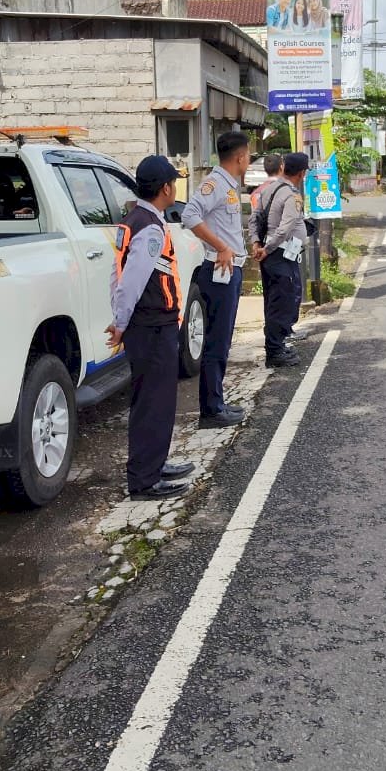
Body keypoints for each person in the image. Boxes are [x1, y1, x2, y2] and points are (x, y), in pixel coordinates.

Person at [106, 155, 195, 500]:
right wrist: (120, 322)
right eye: (174, 182)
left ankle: (154, 463)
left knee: (156, 400)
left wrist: (119, 318)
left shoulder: (135, 220)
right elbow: (131, 281)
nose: (175, 187)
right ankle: (144, 479)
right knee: (153, 403)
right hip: (151, 325)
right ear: (165, 188)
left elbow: (117, 275)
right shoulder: (151, 229)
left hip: (149, 325)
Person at [182, 131, 251, 427]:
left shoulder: (228, 184)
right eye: (248, 155)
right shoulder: (215, 183)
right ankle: (210, 411)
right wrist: (222, 247)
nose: (249, 160)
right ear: (240, 157)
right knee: (217, 343)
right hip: (218, 272)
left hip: (229, 271)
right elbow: (190, 214)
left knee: (222, 342)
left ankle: (217, 402)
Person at [249, 151, 310, 368]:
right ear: (302, 173)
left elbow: (255, 217)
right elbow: (284, 228)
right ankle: (274, 351)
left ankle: (277, 345)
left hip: (271, 254)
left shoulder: (269, 189)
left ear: (283, 168)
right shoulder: (292, 196)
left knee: (274, 301)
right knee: (282, 302)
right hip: (281, 255)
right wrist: (266, 248)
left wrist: (257, 243)